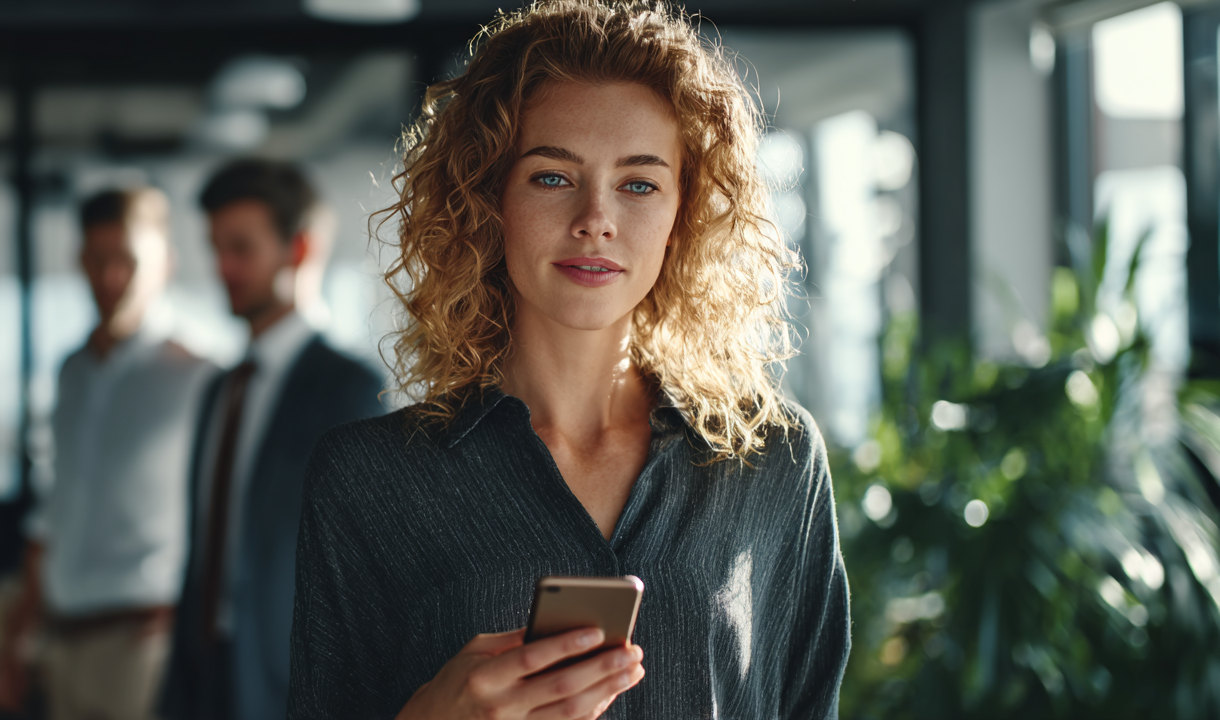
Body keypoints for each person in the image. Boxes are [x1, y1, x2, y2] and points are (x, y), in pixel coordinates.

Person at [287, 2, 850, 719]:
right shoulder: (370, 482)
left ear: (685, 213)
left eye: (639, 183)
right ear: (487, 198)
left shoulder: (775, 461)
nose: (596, 218)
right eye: (552, 176)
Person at [161, 159, 387, 720]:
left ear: (300, 249)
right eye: (216, 248)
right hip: (205, 671)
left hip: (290, 677)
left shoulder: (350, 388)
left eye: (241, 247)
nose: (223, 267)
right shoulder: (220, 389)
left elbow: (368, 562)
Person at [0, 187, 215, 720]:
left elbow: (225, 512)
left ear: (165, 264)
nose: (111, 277)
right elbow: (55, 509)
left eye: (128, 262)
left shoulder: (198, 376)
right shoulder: (71, 371)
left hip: (141, 642)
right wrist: (19, 633)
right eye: (97, 260)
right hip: (62, 635)